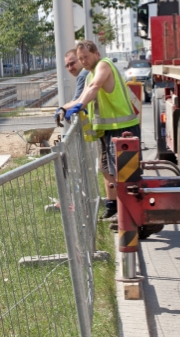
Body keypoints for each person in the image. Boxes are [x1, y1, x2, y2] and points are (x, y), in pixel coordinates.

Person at [60, 40, 141, 220]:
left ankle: (133, 217)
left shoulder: (104, 65)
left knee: (124, 176)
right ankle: (117, 211)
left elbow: (95, 88)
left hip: (123, 129)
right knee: (108, 171)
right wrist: (64, 108)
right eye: (81, 58)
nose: (84, 61)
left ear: (96, 53)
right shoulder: (89, 75)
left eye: (86, 57)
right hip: (108, 130)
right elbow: (81, 96)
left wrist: (80, 105)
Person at [54, 49, 89, 125]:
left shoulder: (83, 75)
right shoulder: (87, 72)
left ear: (80, 59)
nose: (70, 68)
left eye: (72, 63)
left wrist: (63, 109)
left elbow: (78, 101)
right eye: (67, 65)